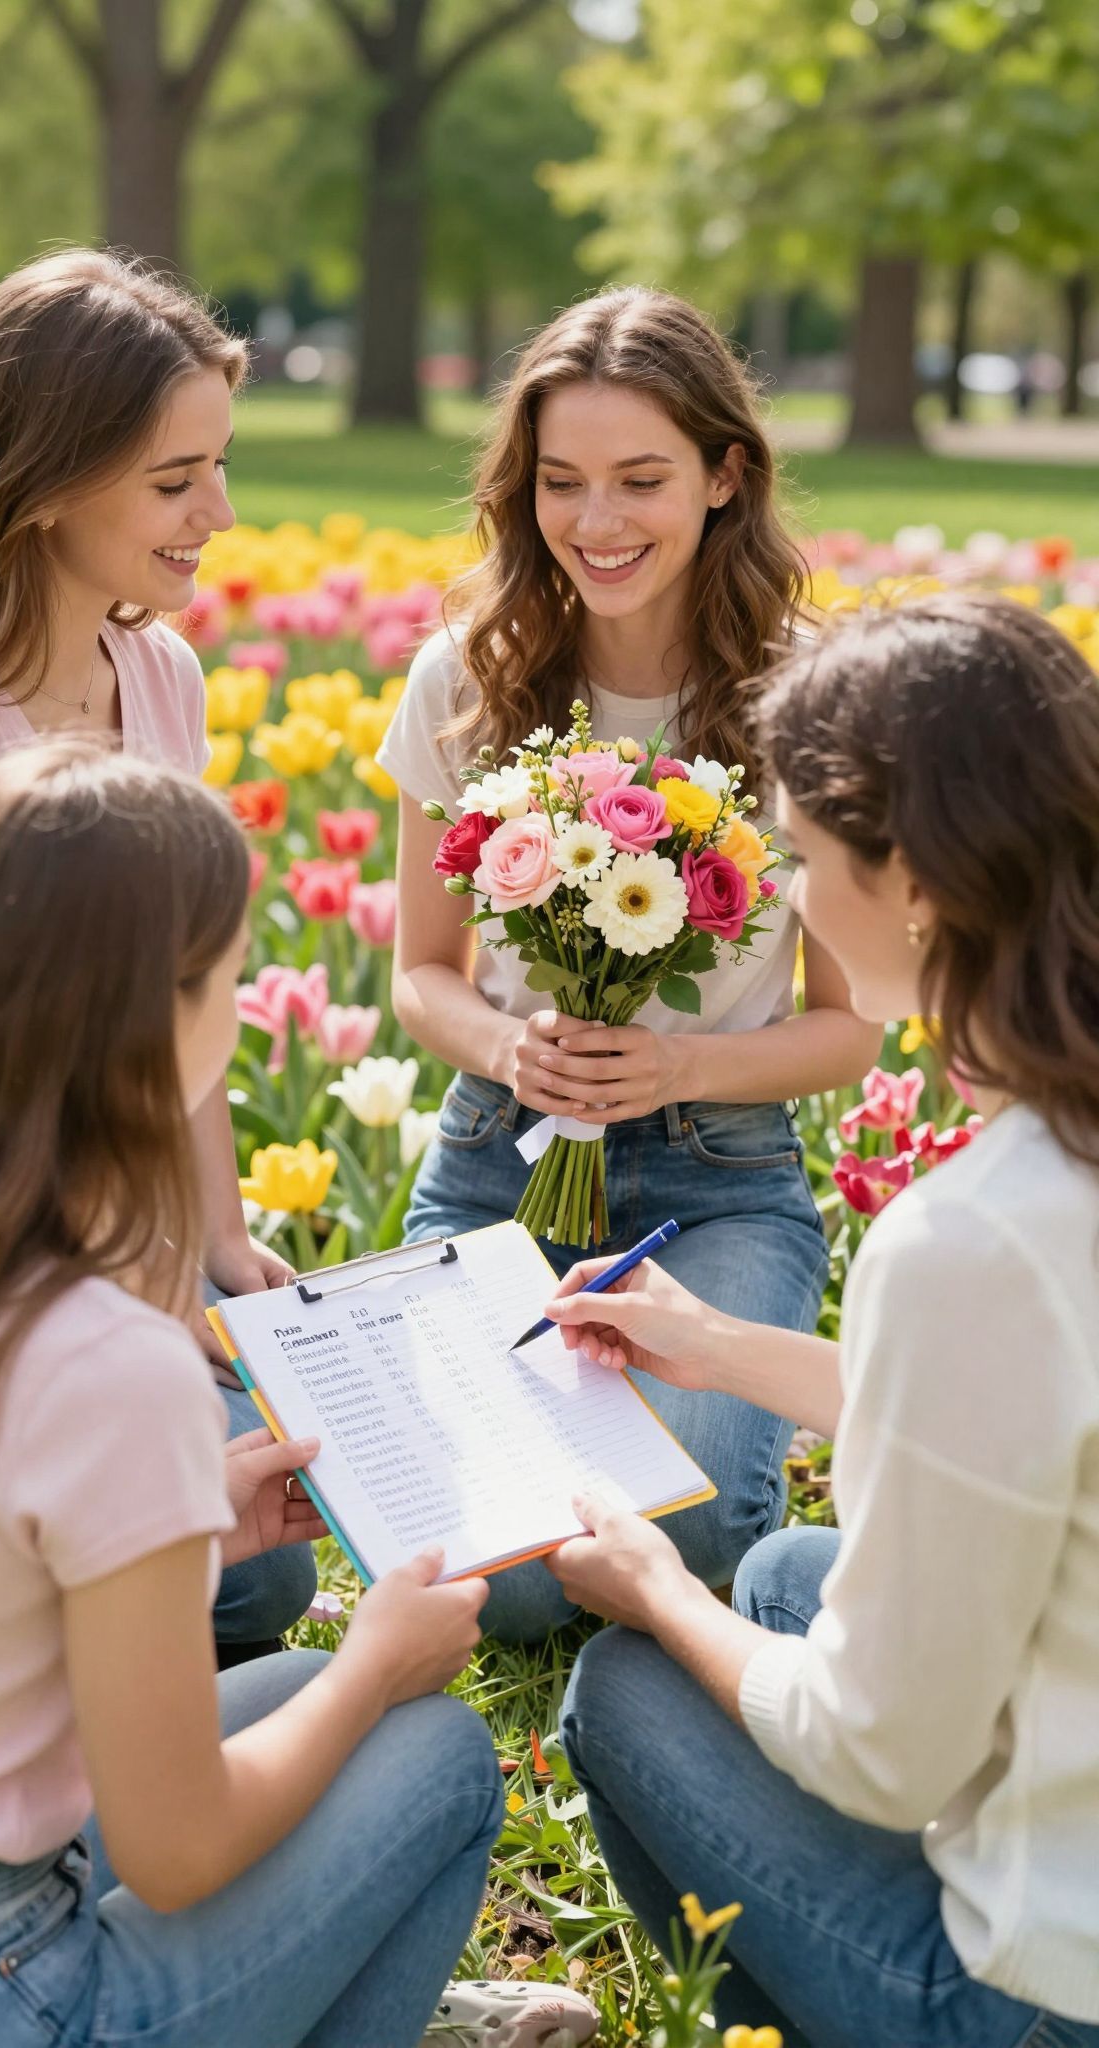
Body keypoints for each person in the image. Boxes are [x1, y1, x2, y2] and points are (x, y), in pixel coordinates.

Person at [542, 594, 1099, 2048]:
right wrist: (716, 1349)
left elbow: (877, 1753)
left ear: (910, 878)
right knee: (790, 1567)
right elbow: (1037, 1405)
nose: (784, 894)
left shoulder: (977, 1239)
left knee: (628, 1680)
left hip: (1040, 1988)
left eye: (796, 853)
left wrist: (660, 1591)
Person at [0, 741, 510, 2048]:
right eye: (229, 973)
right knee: (427, 1755)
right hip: (5, 1984)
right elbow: (182, 1845)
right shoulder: (101, 1354)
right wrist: (374, 1664)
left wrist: (183, 1519)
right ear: (157, 1013)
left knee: (286, 1703)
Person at [377, 286, 879, 1642]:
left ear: (726, 475)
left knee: (690, 1524)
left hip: (718, 1177)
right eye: (563, 483)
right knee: (506, 1578)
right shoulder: (466, 677)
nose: (598, 525)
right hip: (500, 1154)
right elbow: (421, 974)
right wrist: (508, 1049)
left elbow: (850, 1033)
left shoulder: (809, 698)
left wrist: (678, 1063)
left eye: (642, 480)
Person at [0, 247, 314, 1656]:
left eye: (217, 466)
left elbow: (189, 1008)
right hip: (2, 1287)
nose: (220, 513)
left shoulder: (161, 677)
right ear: (44, 484)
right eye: (176, 481)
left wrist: (215, 1247)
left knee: (274, 1545)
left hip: (137, 1270)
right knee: (251, 1572)